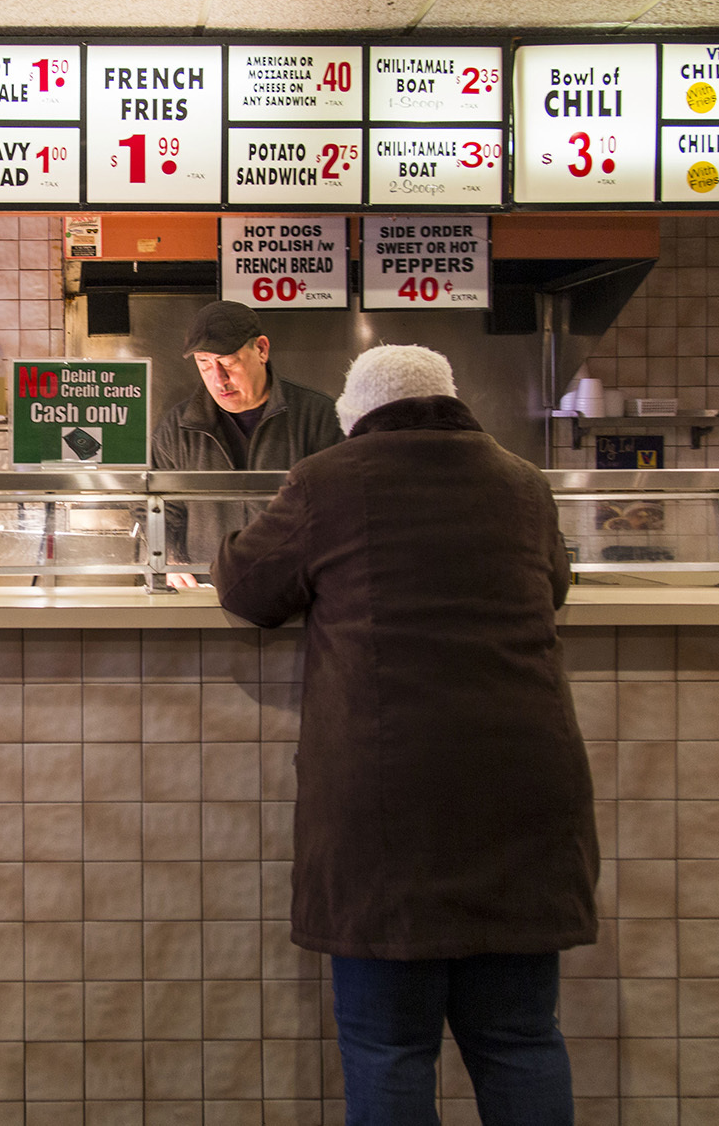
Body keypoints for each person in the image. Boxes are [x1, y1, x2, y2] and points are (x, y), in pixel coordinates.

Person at [210, 344, 599, 1126]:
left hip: (387, 805)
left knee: (390, 1045)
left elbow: (249, 588)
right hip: (523, 794)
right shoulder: (524, 484)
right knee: (520, 1038)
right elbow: (554, 583)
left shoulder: (328, 480)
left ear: (354, 417)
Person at [150, 300, 343, 580]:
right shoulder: (175, 429)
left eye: (228, 361)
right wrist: (171, 559)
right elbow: (157, 511)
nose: (219, 378)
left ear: (261, 349)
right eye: (204, 364)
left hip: (293, 590)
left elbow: (339, 510)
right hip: (205, 590)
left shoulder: (318, 417)